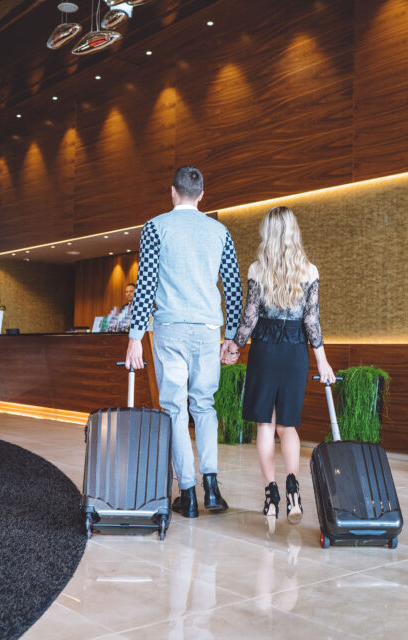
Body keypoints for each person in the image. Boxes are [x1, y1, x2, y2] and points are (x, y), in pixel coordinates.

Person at [125, 166, 243, 518]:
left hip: (170, 330)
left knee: (175, 409)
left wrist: (135, 337)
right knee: (204, 406)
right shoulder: (219, 231)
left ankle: (187, 494)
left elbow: (145, 285)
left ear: (173, 192)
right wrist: (232, 339)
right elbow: (234, 288)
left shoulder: (155, 227)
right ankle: (212, 489)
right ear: (202, 195)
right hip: (208, 331)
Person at [230, 206, 335, 530]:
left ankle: (270, 493)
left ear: (268, 233)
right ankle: (293, 490)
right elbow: (311, 321)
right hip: (294, 354)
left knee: (265, 426)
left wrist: (235, 346)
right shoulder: (309, 271)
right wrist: (322, 361)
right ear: (293, 232)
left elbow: (250, 316)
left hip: (264, 351)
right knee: (287, 426)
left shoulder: (257, 269)